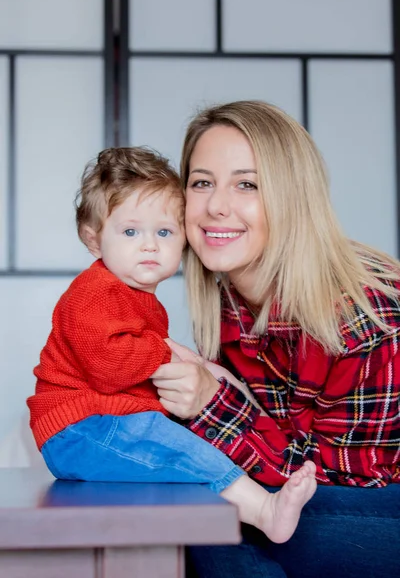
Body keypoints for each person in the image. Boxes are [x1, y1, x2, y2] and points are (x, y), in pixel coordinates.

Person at [150, 101, 400, 578]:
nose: (216, 205)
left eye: (247, 184)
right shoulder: (232, 303)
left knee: (250, 521)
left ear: (291, 197)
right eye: (202, 182)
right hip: (314, 497)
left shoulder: (365, 313)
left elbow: (344, 480)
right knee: (207, 512)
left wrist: (215, 403)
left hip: (372, 498)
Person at [27, 146, 317, 545]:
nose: (149, 245)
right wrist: (167, 353)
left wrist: (184, 362)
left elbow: (141, 358)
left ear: (182, 240)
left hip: (105, 423)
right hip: (81, 427)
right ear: (94, 241)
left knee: (182, 454)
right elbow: (110, 366)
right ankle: (264, 511)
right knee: (184, 451)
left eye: (163, 232)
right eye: (130, 232)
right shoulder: (94, 294)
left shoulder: (136, 297)